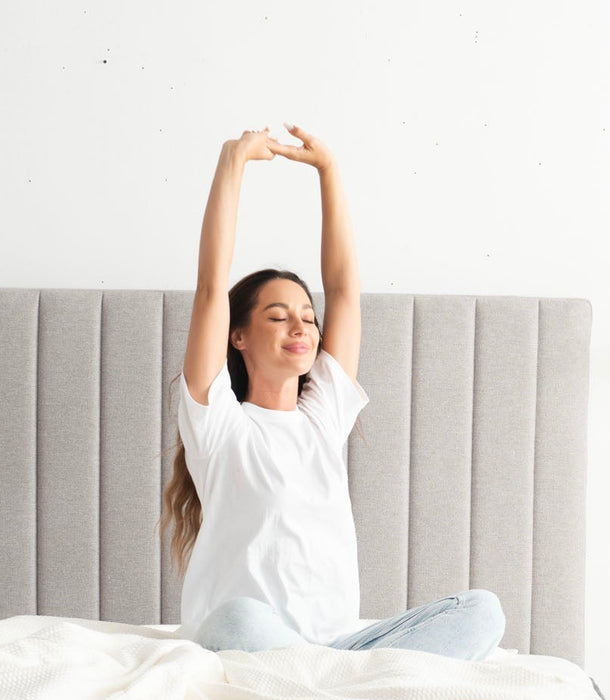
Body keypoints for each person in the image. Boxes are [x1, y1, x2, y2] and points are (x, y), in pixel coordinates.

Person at [158, 123, 506, 661]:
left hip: (339, 646)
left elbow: (344, 290)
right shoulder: (219, 422)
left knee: (483, 610)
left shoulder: (322, 416)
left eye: (306, 318)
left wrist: (329, 171)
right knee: (241, 617)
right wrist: (233, 163)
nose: (300, 327)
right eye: (278, 316)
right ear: (238, 335)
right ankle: (343, 687)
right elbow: (210, 288)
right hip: (248, 639)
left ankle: (329, 682)